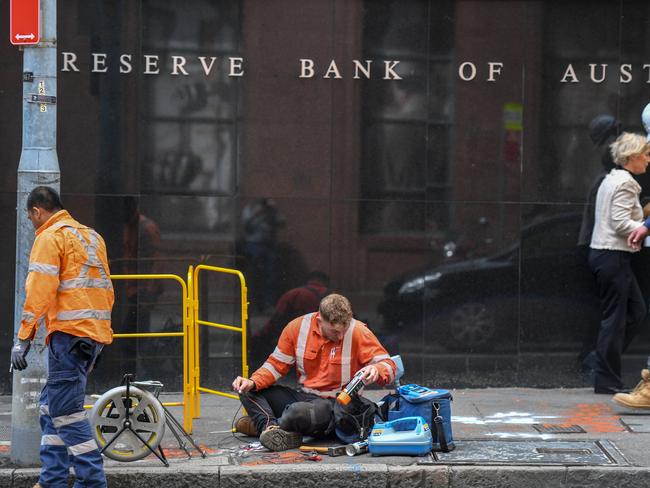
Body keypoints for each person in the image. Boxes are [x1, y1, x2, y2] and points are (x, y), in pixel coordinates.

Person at [10, 186, 114, 488]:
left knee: (66, 413)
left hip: (68, 338)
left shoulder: (50, 236)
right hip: (89, 337)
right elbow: (106, 290)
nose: (33, 224)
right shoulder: (92, 237)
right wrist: (100, 339)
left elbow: (39, 290)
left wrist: (24, 337)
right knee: (49, 405)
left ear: (36, 211)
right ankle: (52, 479)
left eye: (31, 219)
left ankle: (92, 481)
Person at [231, 294, 396, 451]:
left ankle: (268, 426)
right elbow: (275, 365)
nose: (339, 336)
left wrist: (376, 369)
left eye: (343, 330)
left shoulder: (359, 331)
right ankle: (270, 428)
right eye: (334, 331)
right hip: (304, 397)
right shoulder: (296, 328)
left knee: (296, 413)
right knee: (246, 390)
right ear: (319, 320)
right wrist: (252, 382)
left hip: (338, 405)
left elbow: (389, 365)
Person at [587, 133, 650, 394]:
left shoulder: (611, 179)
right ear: (633, 156)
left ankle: (602, 363)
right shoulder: (626, 183)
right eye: (645, 155)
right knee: (616, 319)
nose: (648, 160)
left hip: (606, 255)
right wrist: (644, 228)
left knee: (634, 312)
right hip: (613, 255)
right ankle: (605, 377)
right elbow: (620, 222)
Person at [251, 271, 330, 363]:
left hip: (290, 342)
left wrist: (258, 336)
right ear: (326, 282)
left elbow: (276, 320)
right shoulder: (329, 295)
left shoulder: (292, 293)